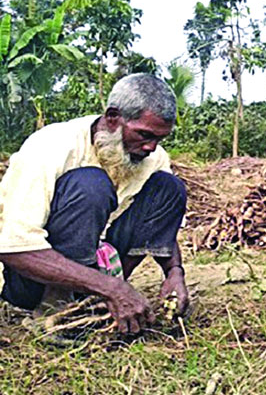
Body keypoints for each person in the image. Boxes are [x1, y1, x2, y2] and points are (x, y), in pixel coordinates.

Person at [0, 73, 188, 334]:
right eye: (144, 135)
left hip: (99, 269)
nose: (151, 148)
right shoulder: (51, 147)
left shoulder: (151, 158)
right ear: (112, 118)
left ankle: (94, 301)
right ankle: (55, 308)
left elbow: (158, 219)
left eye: (159, 139)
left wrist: (174, 272)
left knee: (169, 188)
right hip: (31, 281)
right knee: (92, 184)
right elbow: (12, 247)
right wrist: (113, 288)